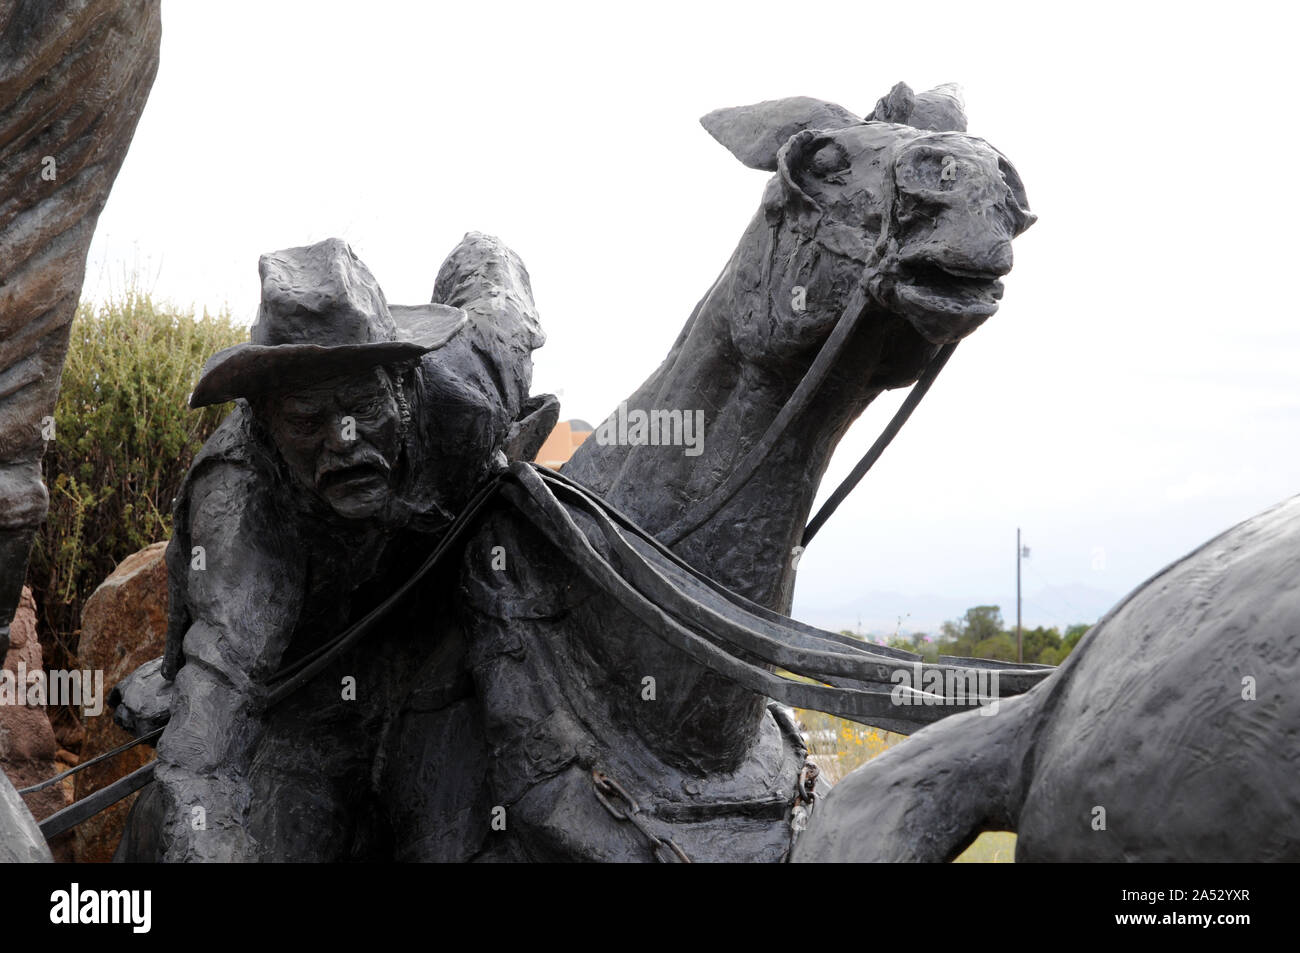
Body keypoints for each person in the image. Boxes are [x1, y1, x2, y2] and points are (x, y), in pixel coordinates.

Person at [114, 234, 554, 861]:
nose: (343, 441)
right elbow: (219, 699)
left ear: (404, 384)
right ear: (266, 423)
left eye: (363, 408)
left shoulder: (471, 391)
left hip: (442, 645)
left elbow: (492, 271)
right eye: (305, 421)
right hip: (303, 684)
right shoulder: (241, 494)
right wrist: (209, 835)